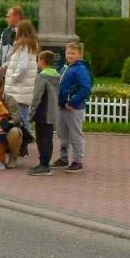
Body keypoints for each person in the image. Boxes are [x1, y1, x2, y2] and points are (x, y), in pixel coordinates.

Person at [2, 20, 39, 161]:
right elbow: (16, 61)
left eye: (17, 28)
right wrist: (6, 66)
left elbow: (22, 66)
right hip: (22, 88)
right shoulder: (30, 45)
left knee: (21, 117)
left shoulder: (24, 45)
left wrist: (14, 77)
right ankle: (23, 144)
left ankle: (24, 145)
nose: (15, 31)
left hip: (19, 88)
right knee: (22, 116)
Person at [55, 40, 92, 173]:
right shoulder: (65, 68)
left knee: (75, 134)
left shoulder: (80, 69)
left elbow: (85, 88)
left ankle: (77, 161)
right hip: (62, 106)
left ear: (79, 54)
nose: (70, 55)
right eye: (68, 53)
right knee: (62, 133)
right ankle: (63, 157)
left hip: (74, 107)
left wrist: (73, 102)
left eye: (73, 53)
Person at [28, 50, 60, 176]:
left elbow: (37, 96)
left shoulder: (42, 76)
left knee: (42, 139)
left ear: (41, 61)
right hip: (51, 111)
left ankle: (44, 165)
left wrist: (31, 113)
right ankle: (45, 162)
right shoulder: (56, 75)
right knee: (48, 138)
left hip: (42, 111)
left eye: (38, 60)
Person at [0, 5, 24, 72]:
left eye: (8, 17)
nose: (6, 19)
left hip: (17, 72)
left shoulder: (24, 33)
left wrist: (5, 66)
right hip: (4, 72)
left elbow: (19, 56)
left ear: (17, 17)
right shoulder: (6, 32)